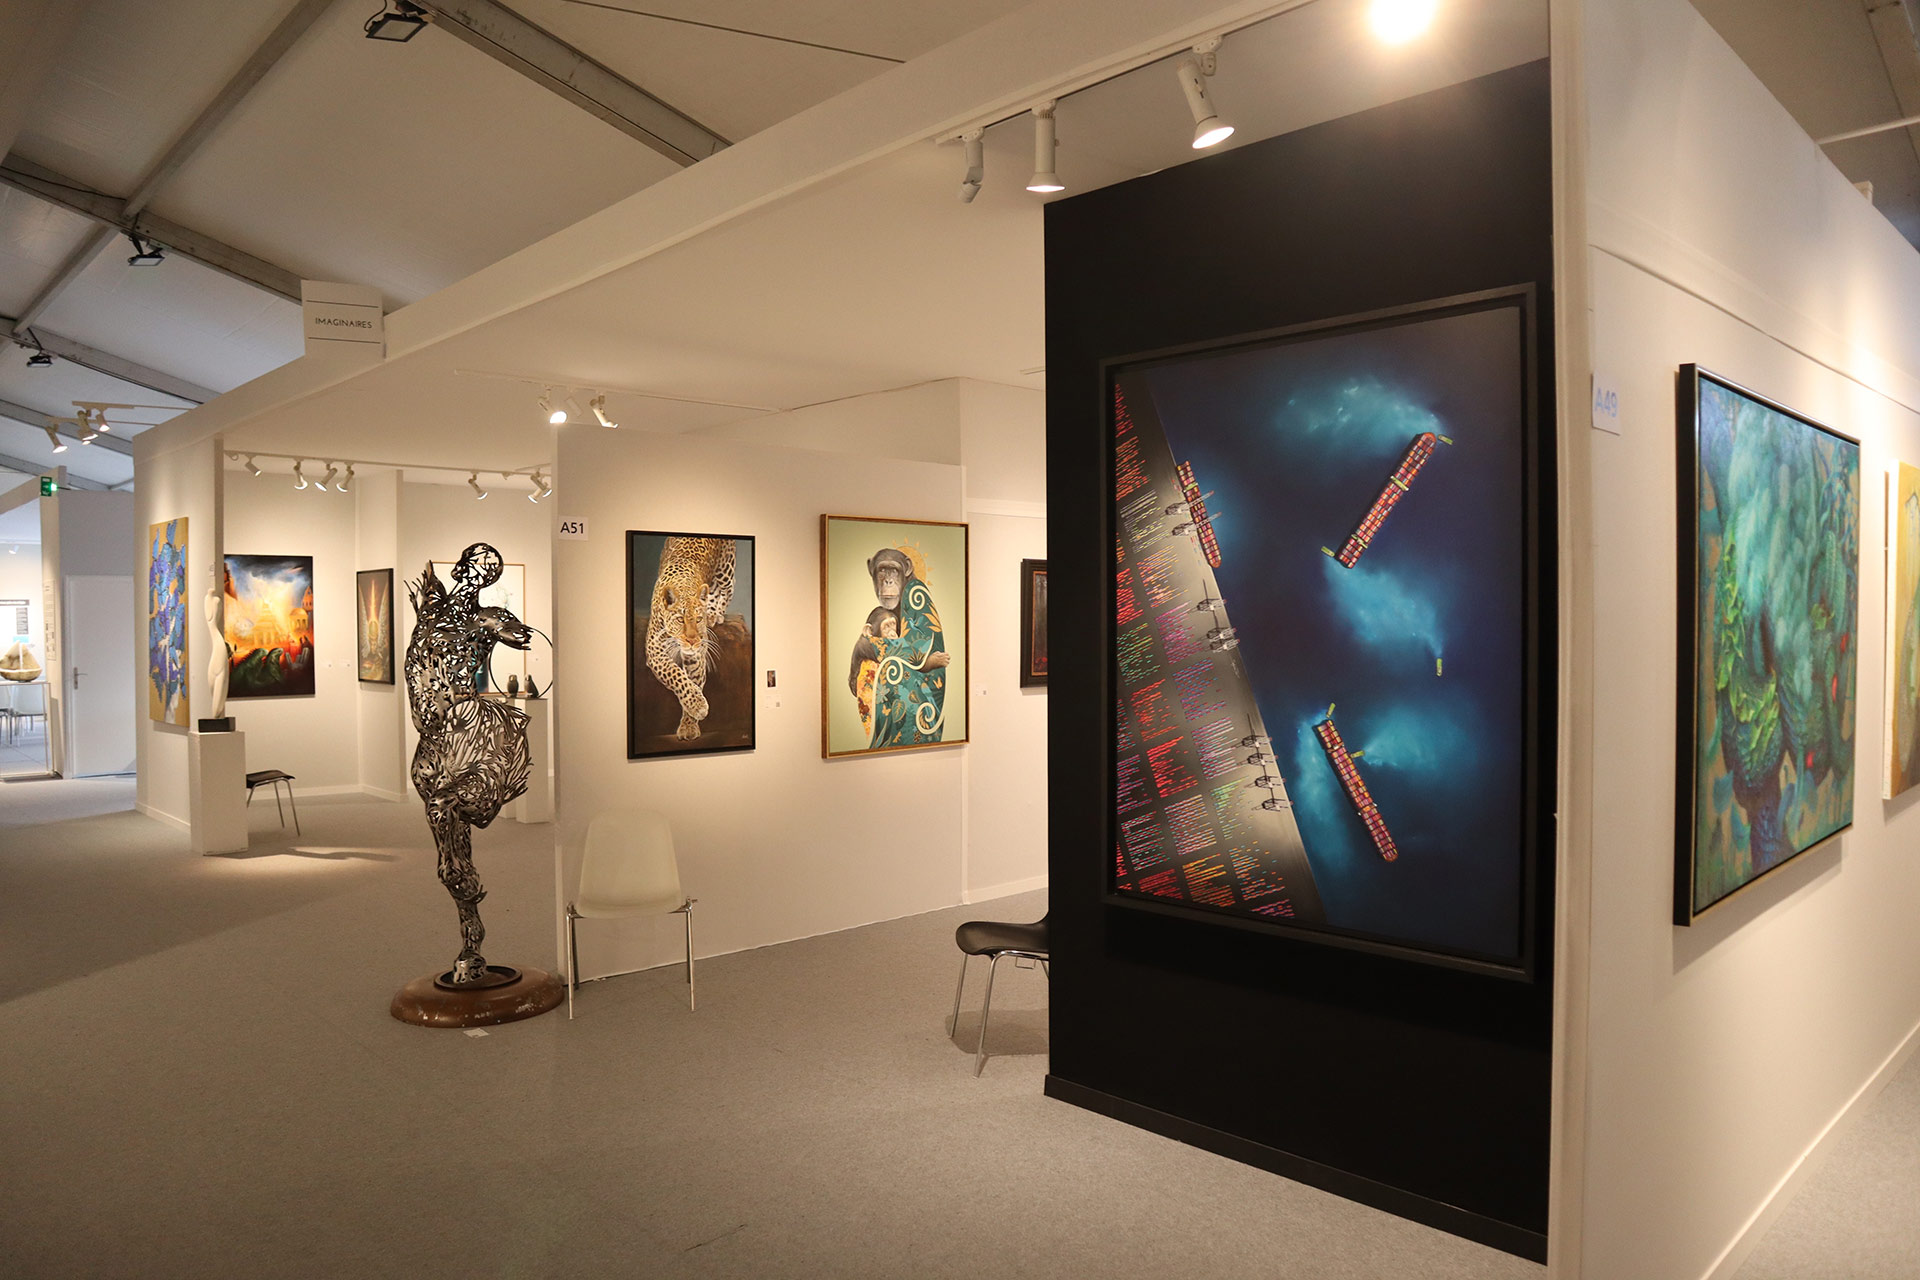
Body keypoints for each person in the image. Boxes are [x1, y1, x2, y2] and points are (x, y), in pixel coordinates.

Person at [404, 543, 533, 985]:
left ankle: (467, 914)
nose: (483, 575)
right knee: (451, 839)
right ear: (460, 569)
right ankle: (471, 935)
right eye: (478, 566)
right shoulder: (430, 615)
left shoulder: (487, 618)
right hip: (431, 741)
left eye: (491, 570)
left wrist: (510, 631)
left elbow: (515, 630)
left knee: (445, 811)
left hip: (469, 736)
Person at [846, 547, 950, 749]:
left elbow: (915, 649)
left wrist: (866, 645)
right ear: (871, 570)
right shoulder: (889, 611)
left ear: (907, 568)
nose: (888, 581)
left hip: (924, 701)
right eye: (882, 571)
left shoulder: (915, 594)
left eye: (893, 571)